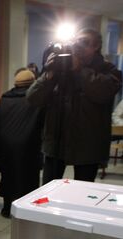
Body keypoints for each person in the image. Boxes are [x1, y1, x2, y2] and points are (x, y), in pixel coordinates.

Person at [27, 28, 122, 184]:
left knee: (82, 194)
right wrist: (49, 75)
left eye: (85, 42)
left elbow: (103, 92)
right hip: (56, 143)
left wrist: (80, 70)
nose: (79, 46)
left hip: (88, 147)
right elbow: (32, 98)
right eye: (77, 41)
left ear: (96, 46)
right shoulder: (60, 67)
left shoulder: (108, 70)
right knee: (49, 191)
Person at [0, 69, 45, 218]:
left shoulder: (5, 98)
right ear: (32, 83)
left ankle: (6, 208)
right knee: (28, 178)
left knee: (8, 176)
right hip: (28, 145)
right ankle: (25, 212)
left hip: (6, 144)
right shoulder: (35, 99)